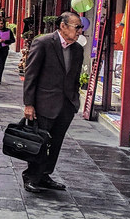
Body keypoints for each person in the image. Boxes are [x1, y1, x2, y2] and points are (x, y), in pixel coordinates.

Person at [22, 12, 85, 193]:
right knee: (39, 142)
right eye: (77, 27)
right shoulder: (43, 43)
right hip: (44, 103)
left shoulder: (77, 49)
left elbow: (74, 78)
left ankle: (44, 175)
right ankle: (31, 176)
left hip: (66, 105)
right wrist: (29, 104)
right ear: (63, 26)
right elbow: (31, 75)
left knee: (56, 143)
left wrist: (74, 101)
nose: (79, 31)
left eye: (81, 27)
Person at [0, 16, 16, 85]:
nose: (1, 25)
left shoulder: (8, 31)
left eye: (2, 24)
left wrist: (5, 41)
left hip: (4, 49)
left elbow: (13, 40)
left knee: (2, 64)